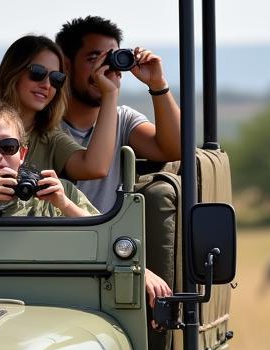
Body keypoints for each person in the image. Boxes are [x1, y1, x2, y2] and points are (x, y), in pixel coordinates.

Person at [0, 100, 172, 305]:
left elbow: (107, 239)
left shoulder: (55, 194)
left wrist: (64, 204)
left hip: (45, 306)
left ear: (22, 153)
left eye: (8, 146)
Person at [56, 15, 181, 212]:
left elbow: (177, 149)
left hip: (110, 238)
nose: (105, 68)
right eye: (94, 59)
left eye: (111, 59)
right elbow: (93, 168)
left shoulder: (123, 119)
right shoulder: (46, 124)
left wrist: (158, 84)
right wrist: (110, 94)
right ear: (65, 65)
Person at [0, 35, 120, 183]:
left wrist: (110, 93)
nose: (47, 85)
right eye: (37, 73)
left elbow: (95, 167)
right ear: (13, 72)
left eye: (56, 78)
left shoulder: (50, 140)